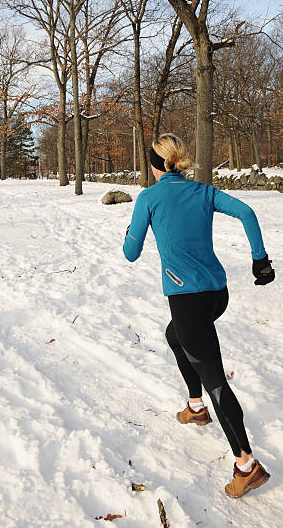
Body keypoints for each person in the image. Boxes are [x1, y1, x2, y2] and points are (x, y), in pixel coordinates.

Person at [123, 133, 275, 499]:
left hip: (188, 300)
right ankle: (195, 407)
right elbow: (247, 212)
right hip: (216, 295)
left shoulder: (149, 198)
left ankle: (246, 464)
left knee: (216, 379)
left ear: (155, 164)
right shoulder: (203, 192)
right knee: (176, 337)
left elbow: (130, 252)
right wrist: (260, 260)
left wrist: (133, 229)